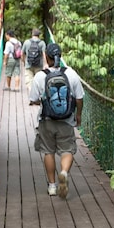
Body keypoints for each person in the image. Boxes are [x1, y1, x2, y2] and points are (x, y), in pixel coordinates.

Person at [29, 43, 84, 198]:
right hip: (66, 120)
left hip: (46, 120)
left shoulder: (40, 76)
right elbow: (79, 98)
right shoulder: (71, 74)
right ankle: (64, 173)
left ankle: (52, 186)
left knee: (48, 151)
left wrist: (43, 100)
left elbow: (33, 99)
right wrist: (78, 115)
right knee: (67, 150)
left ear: (46, 56)